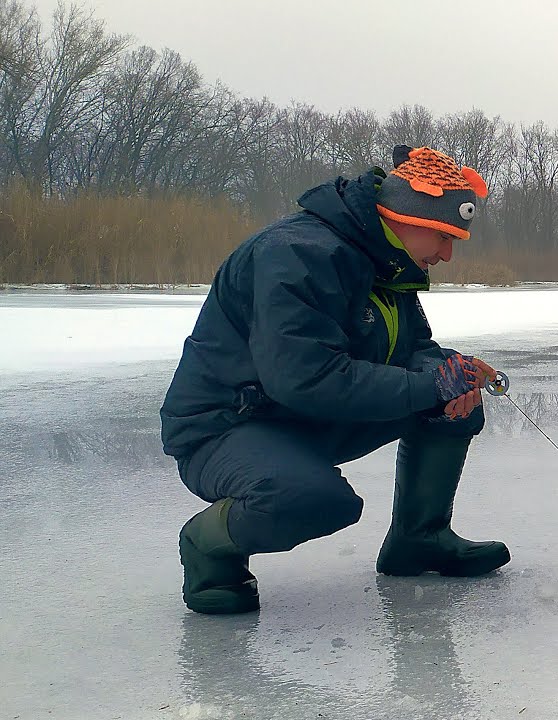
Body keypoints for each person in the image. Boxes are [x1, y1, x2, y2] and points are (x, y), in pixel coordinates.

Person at [160, 145, 510, 615]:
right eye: (443, 237)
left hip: (303, 420)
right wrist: (432, 385)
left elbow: (413, 352)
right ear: (404, 216)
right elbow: (306, 378)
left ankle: (419, 540)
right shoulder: (294, 256)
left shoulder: (385, 259)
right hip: (226, 428)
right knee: (315, 501)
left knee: (449, 402)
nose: (447, 254)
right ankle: (208, 546)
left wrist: (451, 374)